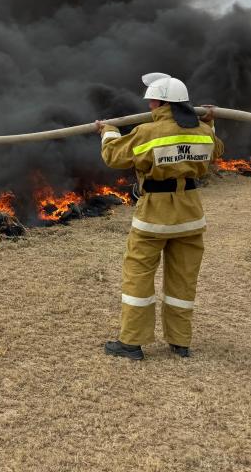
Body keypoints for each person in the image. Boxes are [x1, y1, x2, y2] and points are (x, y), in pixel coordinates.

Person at [95, 73, 223, 360]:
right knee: (183, 280)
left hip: (154, 216)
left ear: (162, 103)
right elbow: (216, 149)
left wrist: (108, 131)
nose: (149, 106)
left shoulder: (147, 132)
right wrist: (210, 122)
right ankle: (180, 341)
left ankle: (131, 343)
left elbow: (114, 156)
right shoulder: (203, 131)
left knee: (138, 277)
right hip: (190, 216)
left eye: (152, 101)